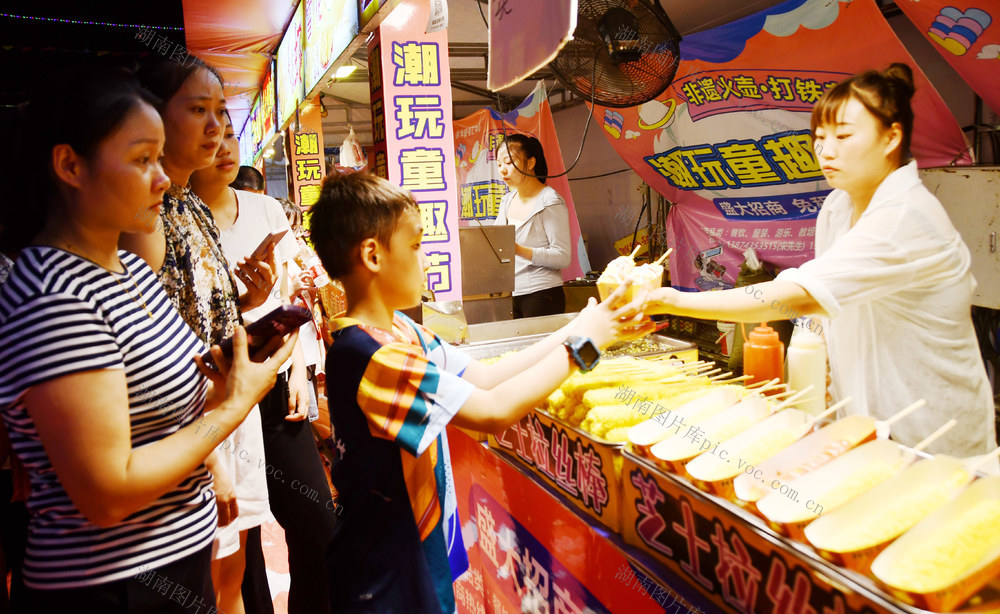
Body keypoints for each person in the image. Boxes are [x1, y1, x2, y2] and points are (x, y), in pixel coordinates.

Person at [0, 63, 296, 612]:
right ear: (70, 165)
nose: (162, 178)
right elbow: (107, 493)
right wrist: (231, 409)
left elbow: (174, 397)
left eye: (159, 159)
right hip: (110, 585)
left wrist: (232, 380)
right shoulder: (52, 293)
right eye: (142, 161)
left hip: (172, 562)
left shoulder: (129, 271)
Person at [308, 171, 653, 613]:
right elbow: (493, 410)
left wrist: (580, 328)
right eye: (416, 247)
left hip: (407, 553)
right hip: (385, 575)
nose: (427, 260)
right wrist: (589, 346)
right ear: (372, 254)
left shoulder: (399, 328)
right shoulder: (371, 354)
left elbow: (487, 377)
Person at [644, 64, 996, 458]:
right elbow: (832, 309)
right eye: (819, 138)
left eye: (844, 136)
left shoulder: (905, 216)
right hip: (865, 424)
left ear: (891, 138)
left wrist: (670, 300)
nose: (826, 152)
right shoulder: (837, 206)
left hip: (931, 433)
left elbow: (799, 296)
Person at [120, 57, 287, 613]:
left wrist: (246, 302)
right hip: (188, 424)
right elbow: (150, 346)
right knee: (208, 579)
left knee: (232, 569)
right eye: (198, 110)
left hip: (221, 413)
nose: (217, 126)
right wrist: (211, 452)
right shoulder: (147, 215)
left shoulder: (189, 203)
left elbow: (187, 312)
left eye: (222, 112)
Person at [190, 116, 338, 614]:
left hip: (275, 385)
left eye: (229, 135)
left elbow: (288, 302)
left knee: (316, 519)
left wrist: (298, 370)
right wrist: (241, 299)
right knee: (239, 538)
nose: (223, 147)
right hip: (216, 394)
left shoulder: (266, 208)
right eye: (208, 137)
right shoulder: (176, 220)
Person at [493, 134, 572, 318]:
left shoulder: (549, 201)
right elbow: (496, 242)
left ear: (530, 163)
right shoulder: (506, 200)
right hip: (510, 294)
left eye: (509, 163)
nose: (503, 171)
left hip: (542, 294)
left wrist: (518, 250)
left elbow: (563, 256)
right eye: (499, 164)